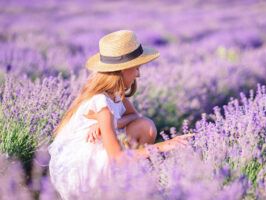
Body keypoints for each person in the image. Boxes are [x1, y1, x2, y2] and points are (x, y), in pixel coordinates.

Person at [48, 30, 193, 199]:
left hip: (100, 152)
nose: (139, 74)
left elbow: (137, 118)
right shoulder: (101, 102)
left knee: (146, 126)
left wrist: (110, 124)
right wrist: (163, 146)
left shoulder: (115, 94)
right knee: (129, 155)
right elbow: (117, 158)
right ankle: (128, 185)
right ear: (122, 70)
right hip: (85, 172)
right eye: (136, 68)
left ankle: (133, 178)